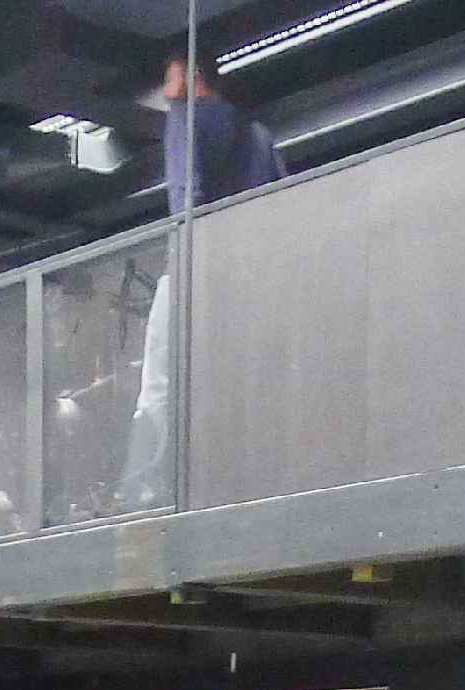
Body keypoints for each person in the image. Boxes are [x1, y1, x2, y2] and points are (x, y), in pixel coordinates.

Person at [117, 47, 285, 511]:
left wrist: (188, 261)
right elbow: (279, 200)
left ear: (191, 75)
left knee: (160, 381)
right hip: (244, 281)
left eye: (170, 78)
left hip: (195, 268)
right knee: (226, 379)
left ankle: (145, 485)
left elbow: (185, 195)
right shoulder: (257, 134)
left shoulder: (184, 118)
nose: (166, 90)